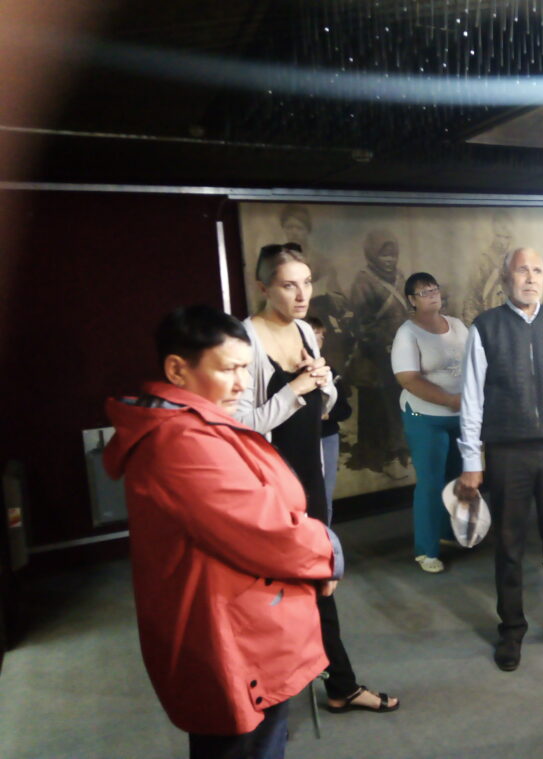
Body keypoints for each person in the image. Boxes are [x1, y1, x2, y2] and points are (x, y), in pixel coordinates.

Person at [103, 305, 343, 759]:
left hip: (243, 622)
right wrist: (327, 552)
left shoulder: (197, 423)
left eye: (245, 369)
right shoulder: (181, 441)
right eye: (228, 369)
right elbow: (264, 529)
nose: (241, 383)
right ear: (177, 370)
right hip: (230, 633)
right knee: (242, 745)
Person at [236, 243, 398, 715]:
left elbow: (322, 408)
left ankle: (340, 685)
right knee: (277, 596)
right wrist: (295, 388)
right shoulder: (245, 340)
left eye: (306, 283)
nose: (302, 294)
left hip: (309, 478)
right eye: (289, 285)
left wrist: (323, 382)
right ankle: (267, 697)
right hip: (271, 488)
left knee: (321, 584)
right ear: (263, 287)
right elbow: (241, 428)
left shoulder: (306, 329)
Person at [457, 247, 543, 672]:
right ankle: (512, 628)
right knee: (509, 543)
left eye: (537, 270)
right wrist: (471, 459)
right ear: (506, 279)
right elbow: (472, 399)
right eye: (522, 270)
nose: (531, 278)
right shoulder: (486, 327)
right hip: (508, 451)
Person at [391, 272, 469, 573]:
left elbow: (475, 362)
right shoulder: (408, 333)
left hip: (461, 416)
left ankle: (448, 532)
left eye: (434, 289)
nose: (432, 295)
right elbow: (408, 379)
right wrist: (450, 400)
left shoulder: (458, 326)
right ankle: (426, 550)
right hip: (424, 417)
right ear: (412, 300)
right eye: (424, 292)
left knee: (456, 478)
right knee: (431, 482)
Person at [348, 229, 410, 475]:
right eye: (384, 255)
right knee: (380, 409)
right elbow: (361, 325)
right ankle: (384, 458)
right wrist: (385, 343)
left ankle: (402, 452)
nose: (389, 260)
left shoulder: (401, 278)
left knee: (400, 405)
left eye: (392, 255)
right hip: (374, 359)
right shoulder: (363, 281)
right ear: (372, 254)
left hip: (400, 356)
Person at [307, 317, 352, 509]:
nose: (318, 340)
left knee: (325, 495)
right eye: (313, 335)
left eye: (320, 336)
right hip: (299, 438)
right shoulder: (285, 370)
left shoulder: (330, 371)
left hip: (326, 437)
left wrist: (326, 415)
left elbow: (345, 409)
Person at [461, 210, 516, 326]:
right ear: (492, 233)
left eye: (507, 237)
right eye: (498, 236)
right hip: (487, 322)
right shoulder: (483, 261)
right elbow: (471, 300)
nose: (502, 242)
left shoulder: (515, 261)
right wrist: (473, 328)